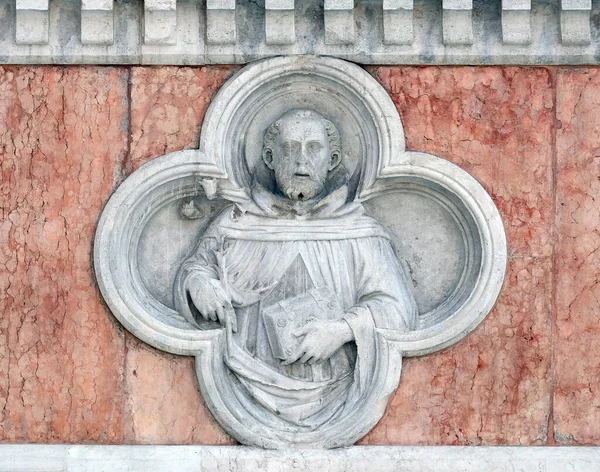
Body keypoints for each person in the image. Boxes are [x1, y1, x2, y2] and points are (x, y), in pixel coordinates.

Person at [174, 109, 417, 431]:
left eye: (313, 148)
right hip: (244, 377)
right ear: (270, 157)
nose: (301, 161)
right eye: (290, 148)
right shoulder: (238, 222)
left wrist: (341, 330)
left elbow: (397, 307)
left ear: (331, 160)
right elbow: (198, 266)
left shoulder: (359, 231)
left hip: (334, 386)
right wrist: (199, 284)